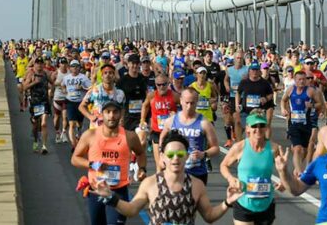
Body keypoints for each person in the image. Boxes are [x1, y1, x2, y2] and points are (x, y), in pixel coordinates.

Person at [91, 131, 239, 224]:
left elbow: (209, 216)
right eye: (170, 155)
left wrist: (227, 202)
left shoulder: (197, 185)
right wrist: (111, 197)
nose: (175, 159)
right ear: (162, 157)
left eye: (180, 154)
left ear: (187, 156)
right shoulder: (150, 183)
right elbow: (132, 210)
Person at [71, 101, 146, 225]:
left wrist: (142, 168)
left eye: (115, 112)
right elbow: (75, 159)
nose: (111, 116)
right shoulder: (90, 135)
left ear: (121, 114)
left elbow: (141, 153)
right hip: (96, 190)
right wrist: (92, 164)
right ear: (102, 114)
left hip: (118, 191)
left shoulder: (130, 136)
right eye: (108, 112)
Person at [220, 114, 293, 224]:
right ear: (248, 128)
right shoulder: (239, 147)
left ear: (266, 127)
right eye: (254, 126)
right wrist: (231, 179)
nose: (258, 129)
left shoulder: (274, 148)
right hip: (243, 202)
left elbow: (282, 169)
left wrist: (283, 181)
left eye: (261, 125)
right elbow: (223, 165)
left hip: (266, 204)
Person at [159, 87, 219, 184]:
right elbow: (162, 139)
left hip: (197, 172)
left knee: (196, 199)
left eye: (192, 103)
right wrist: (162, 158)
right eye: (186, 103)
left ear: (197, 102)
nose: (189, 106)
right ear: (181, 101)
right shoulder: (171, 121)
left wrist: (203, 154)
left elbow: (216, 148)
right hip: (175, 171)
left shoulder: (204, 123)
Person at [281, 71, 325, 174]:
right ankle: (300, 174)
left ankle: (297, 168)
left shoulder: (310, 91)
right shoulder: (291, 89)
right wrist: (283, 109)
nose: (302, 81)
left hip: (306, 124)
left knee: (305, 149)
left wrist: (312, 106)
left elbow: (320, 104)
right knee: (297, 148)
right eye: (299, 79)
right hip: (294, 124)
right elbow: (283, 100)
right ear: (295, 80)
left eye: (303, 79)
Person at [140, 74, 178, 155]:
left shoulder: (175, 95)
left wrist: (177, 115)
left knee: (169, 160)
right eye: (159, 85)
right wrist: (142, 119)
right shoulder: (151, 95)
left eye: (164, 84)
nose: (161, 87)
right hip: (156, 131)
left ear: (168, 83)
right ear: (155, 84)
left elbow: (184, 107)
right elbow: (145, 105)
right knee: (159, 164)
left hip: (170, 132)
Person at [22, 60, 53, 154]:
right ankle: (36, 141)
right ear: (34, 65)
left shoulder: (45, 74)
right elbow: (24, 87)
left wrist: (51, 93)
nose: (39, 65)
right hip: (35, 102)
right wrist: (34, 83)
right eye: (37, 64)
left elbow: (53, 83)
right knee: (35, 125)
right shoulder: (31, 75)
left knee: (43, 124)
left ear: (43, 65)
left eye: (41, 63)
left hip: (44, 101)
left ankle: (44, 146)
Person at [63, 60, 91, 146]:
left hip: (81, 103)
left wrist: (82, 88)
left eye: (76, 66)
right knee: (71, 124)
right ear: (70, 68)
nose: (75, 68)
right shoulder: (66, 77)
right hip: (70, 102)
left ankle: (78, 133)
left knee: (79, 124)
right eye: (73, 66)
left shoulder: (83, 77)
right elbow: (63, 85)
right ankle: (74, 144)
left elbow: (91, 88)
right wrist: (64, 91)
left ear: (79, 67)